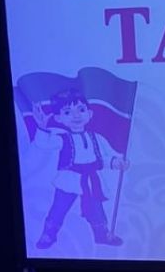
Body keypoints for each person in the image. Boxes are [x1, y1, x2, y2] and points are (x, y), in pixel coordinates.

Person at [32, 88, 127, 248]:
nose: (76, 116)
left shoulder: (95, 137)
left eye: (81, 110)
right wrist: (41, 126)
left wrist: (116, 162)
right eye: (68, 112)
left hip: (91, 180)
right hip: (69, 179)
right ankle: (48, 235)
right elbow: (43, 144)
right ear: (59, 118)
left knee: (96, 209)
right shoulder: (62, 139)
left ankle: (102, 235)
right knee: (59, 208)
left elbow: (100, 159)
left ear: (89, 113)